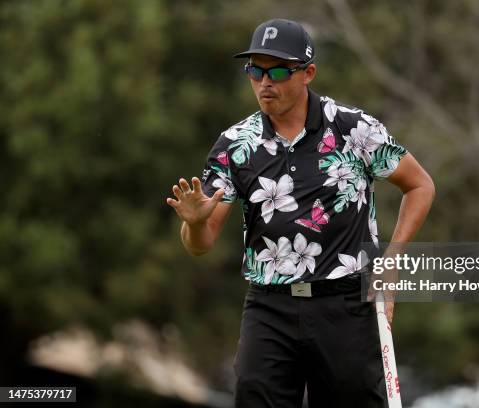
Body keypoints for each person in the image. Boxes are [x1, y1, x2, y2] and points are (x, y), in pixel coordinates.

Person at [166, 18, 435, 408]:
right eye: (255, 70)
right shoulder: (234, 145)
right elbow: (200, 245)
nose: (264, 82)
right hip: (269, 307)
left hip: (345, 304)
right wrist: (192, 225)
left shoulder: (353, 128)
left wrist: (390, 264)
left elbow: (421, 185)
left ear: (308, 73)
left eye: (277, 70)